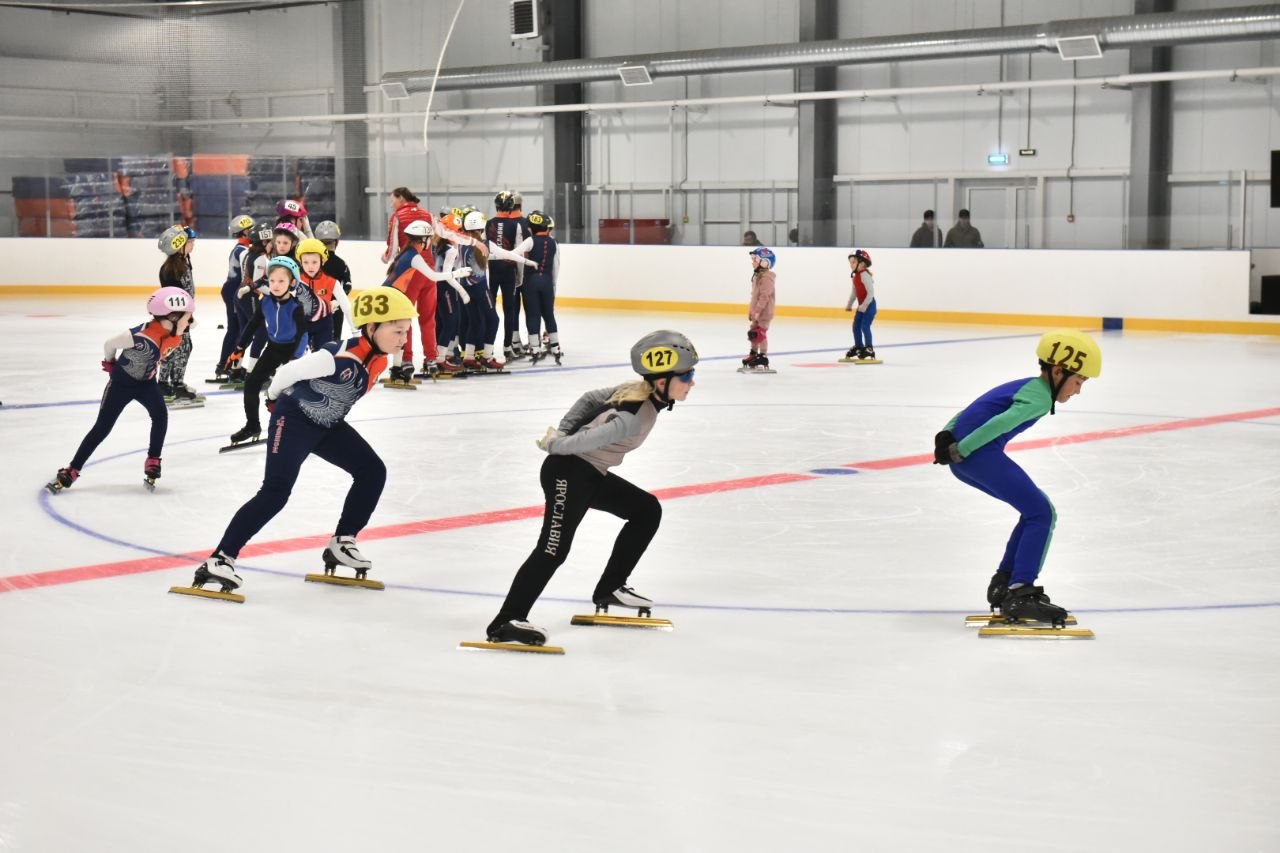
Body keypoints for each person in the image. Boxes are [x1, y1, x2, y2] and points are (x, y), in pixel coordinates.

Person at [182, 288, 419, 596]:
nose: (404, 339)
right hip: (293, 420)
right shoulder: (336, 357)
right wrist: (271, 400)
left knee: (372, 471)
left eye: (406, 332)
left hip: (327, 424)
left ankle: (342, 543)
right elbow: (288, 372)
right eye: (398, 331)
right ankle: (220, 559)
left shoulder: (378, 361)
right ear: (372, 328)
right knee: (276, 492)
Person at [484, 330, 699, 646]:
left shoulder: (637, 393)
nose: (692, 382)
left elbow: (590, 398)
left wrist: (563, 432)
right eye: (687, 376)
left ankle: (610, 588)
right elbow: (589, 439)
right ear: (663, 381)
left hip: (589, 473)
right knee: (553, 549)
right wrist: (559, 443)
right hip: (568, 473)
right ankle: (505, 622)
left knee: (646, 510)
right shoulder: (635, 417)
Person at [932, 329, 1103, 625]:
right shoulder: (1037, 398)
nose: (1077, 390)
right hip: (977, 455)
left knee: (1032, 512)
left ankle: (1005, 583)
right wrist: (962, 449)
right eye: (1079, 381)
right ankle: (1020, 592)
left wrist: (945, 436)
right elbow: (1001, 422)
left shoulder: (1026, 386)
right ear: (1060, 371)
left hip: (967, 458)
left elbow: (974, 407)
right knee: (1042, 513)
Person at [46, 287, 194, 493]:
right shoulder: (138, 335)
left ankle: (153, 459)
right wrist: (110, 362)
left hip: (147, 384)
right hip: (121, 386)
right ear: (172, 316)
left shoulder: (176, 327)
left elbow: (190, 323)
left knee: (160, 416)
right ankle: (72, 468)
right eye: (188, 317)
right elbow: (109, 343)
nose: (191, 321)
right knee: (102, 428)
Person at [226, 257, 310, 446]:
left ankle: (298, 426)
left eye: (281, 281)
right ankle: (252, 425)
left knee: (290, 392)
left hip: (292, 351)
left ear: (292, 283)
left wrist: (295, 358)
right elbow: (252, 326)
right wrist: (239, 347)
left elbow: (302, 335)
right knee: (251, 384)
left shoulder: (296, 306)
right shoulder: (265, 302)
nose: (276, 285)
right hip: (273, 349)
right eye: (272, 281)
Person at [382, 219, 471, 381]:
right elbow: (433, 276)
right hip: (394, 297)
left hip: (393, 295)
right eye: (429, 238)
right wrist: (457, 273)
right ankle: (402, 365)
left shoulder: (409, 252)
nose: (431, 241)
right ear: (423, 239)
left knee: (402, 328)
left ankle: (398, 366)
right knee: (402, 328)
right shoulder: (414, 256)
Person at [486, 189, 534, 360]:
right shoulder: (517, 225)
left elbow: (486, 249)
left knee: (488, 310)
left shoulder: (488, 223)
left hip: (492, 273)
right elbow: (519, 252)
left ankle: (487, 348)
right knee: (509, 311)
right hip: (509, 273)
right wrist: (520, 277)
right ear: (511, 206)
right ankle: (507, 347)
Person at [155, 224, 198, 402]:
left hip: (170, 315)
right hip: (179, 316)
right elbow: (188, 294)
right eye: (190, 242)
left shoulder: (170, 265)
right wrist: (188, 316)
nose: (192, 245)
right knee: (183, 348)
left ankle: (164, 384)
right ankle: (177, 384)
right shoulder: (181, 267)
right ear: (178, 246)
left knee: (172, 349)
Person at [218, 215, 255, 378]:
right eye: (251, 229)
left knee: (241, 329)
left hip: (234, 289)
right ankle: (226, 365)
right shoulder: (242, 250)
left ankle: (228, 364)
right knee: (237, 329)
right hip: (234, 290)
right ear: (244, 232)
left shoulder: (243, 249)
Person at [523, 211, 562, 364]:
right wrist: (552, 284)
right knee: (549, 315)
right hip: (547, 281)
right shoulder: (553, 242)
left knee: (533, 315)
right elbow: (556, 267)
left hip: (531, 282)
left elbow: (514, 254)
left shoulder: (530, 241)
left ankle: (535, 348)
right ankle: (555, 347)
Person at [314, 220, 353, 340]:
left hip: (327, 308)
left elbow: (347, 285)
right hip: (325, 308)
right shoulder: (340, 264)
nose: (327, 247)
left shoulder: (311, 262)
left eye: (328, 243)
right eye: (324, 243)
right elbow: (348, 285)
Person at [742, 246, 776, 370]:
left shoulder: (767, 278)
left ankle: (763, 356)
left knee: (760, 334)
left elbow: (764, 297)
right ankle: (754, 353)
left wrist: (757, 311)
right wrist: (752, 311)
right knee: (753, 334)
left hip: (764, 313)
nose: (753, 262)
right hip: (757, 312)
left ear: (765, 262)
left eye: (755, 259)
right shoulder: (757, 276)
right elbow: (754, 297)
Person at [381, 187, 432, 265]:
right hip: (428, 266)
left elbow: (393, 249)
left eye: (392, 201)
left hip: (408, 266)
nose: (391, 205)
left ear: (401, 198)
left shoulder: (396, 217)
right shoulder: (428, 215)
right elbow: (445, 232)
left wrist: (385, 258)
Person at [844, 249, 877, 361]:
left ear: (862, 263)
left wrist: (865, 305)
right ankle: (859, 346)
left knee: (864, 326)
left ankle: (869, 348)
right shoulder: (855, 277)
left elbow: (871, 293)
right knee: (856, 326)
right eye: (850, 262)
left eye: (853, 262)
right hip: (862, 306)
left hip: (870, 305)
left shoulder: (864, 275)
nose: (851, 264)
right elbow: (854, 293)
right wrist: (849, 304)